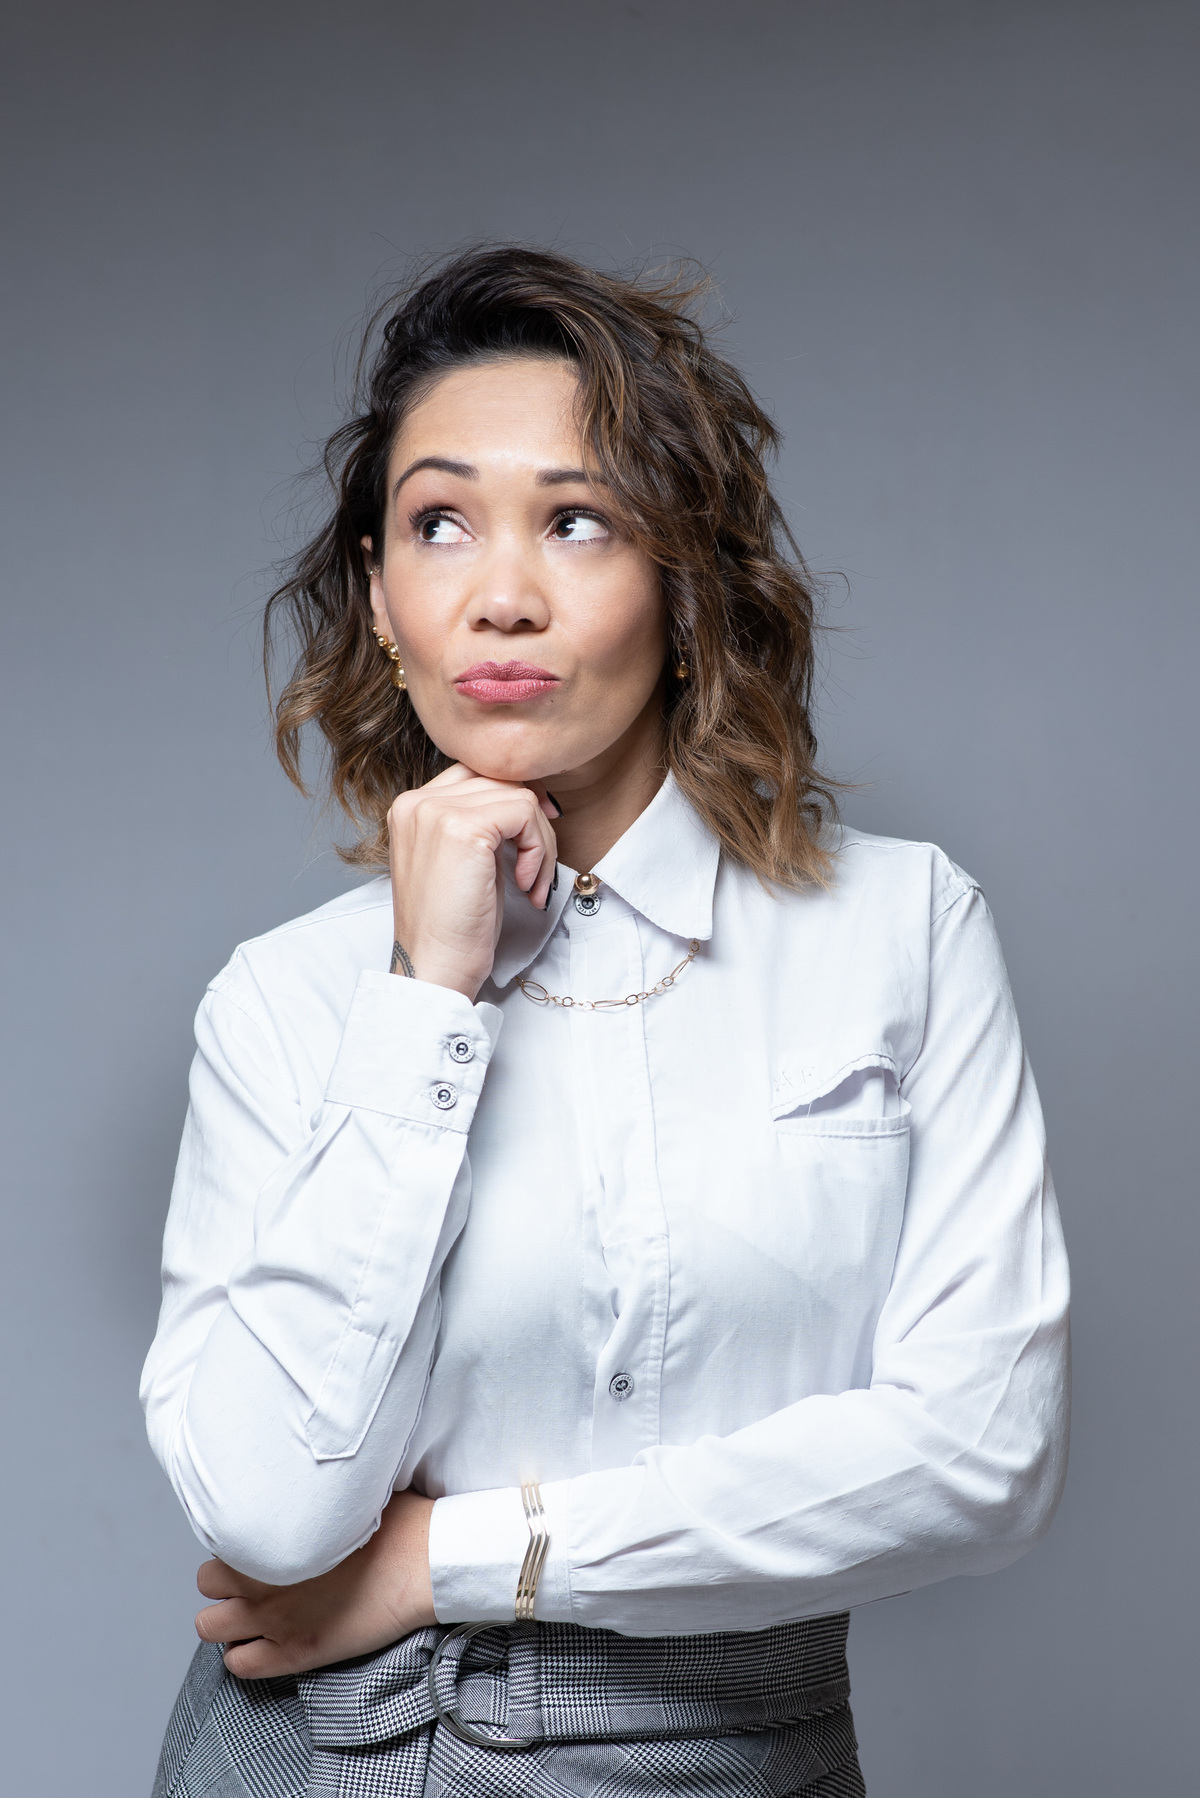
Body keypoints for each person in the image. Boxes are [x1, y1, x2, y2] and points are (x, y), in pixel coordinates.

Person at [141, 246, 1070, 1798]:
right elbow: (269, 1516)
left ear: (685, 579)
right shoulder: (289, 1002)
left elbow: (985, 1454)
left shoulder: (902, 933)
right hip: (347, 1757)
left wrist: (451, 1556)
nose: (502, 594)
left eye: (578, 519)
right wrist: (425, 999)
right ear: (379, 595)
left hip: (749, 1753)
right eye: (440, 523)